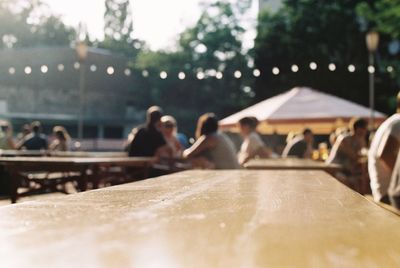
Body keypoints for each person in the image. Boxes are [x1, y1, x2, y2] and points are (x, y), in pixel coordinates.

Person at [369, 92, 400, 204]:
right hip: (391, 195)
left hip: (384, 192)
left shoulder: (393, 120)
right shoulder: (398, 123)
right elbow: (386, 155)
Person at [327, 118, 368, 191]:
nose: (365, 131)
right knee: (348, 183)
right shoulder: (344, 139)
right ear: (357, 128)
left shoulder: (359, 141)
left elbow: (358, 160)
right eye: (364, 128)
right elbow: (354, 156)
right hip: (333, 169)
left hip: (345, 171)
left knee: (361, 181)